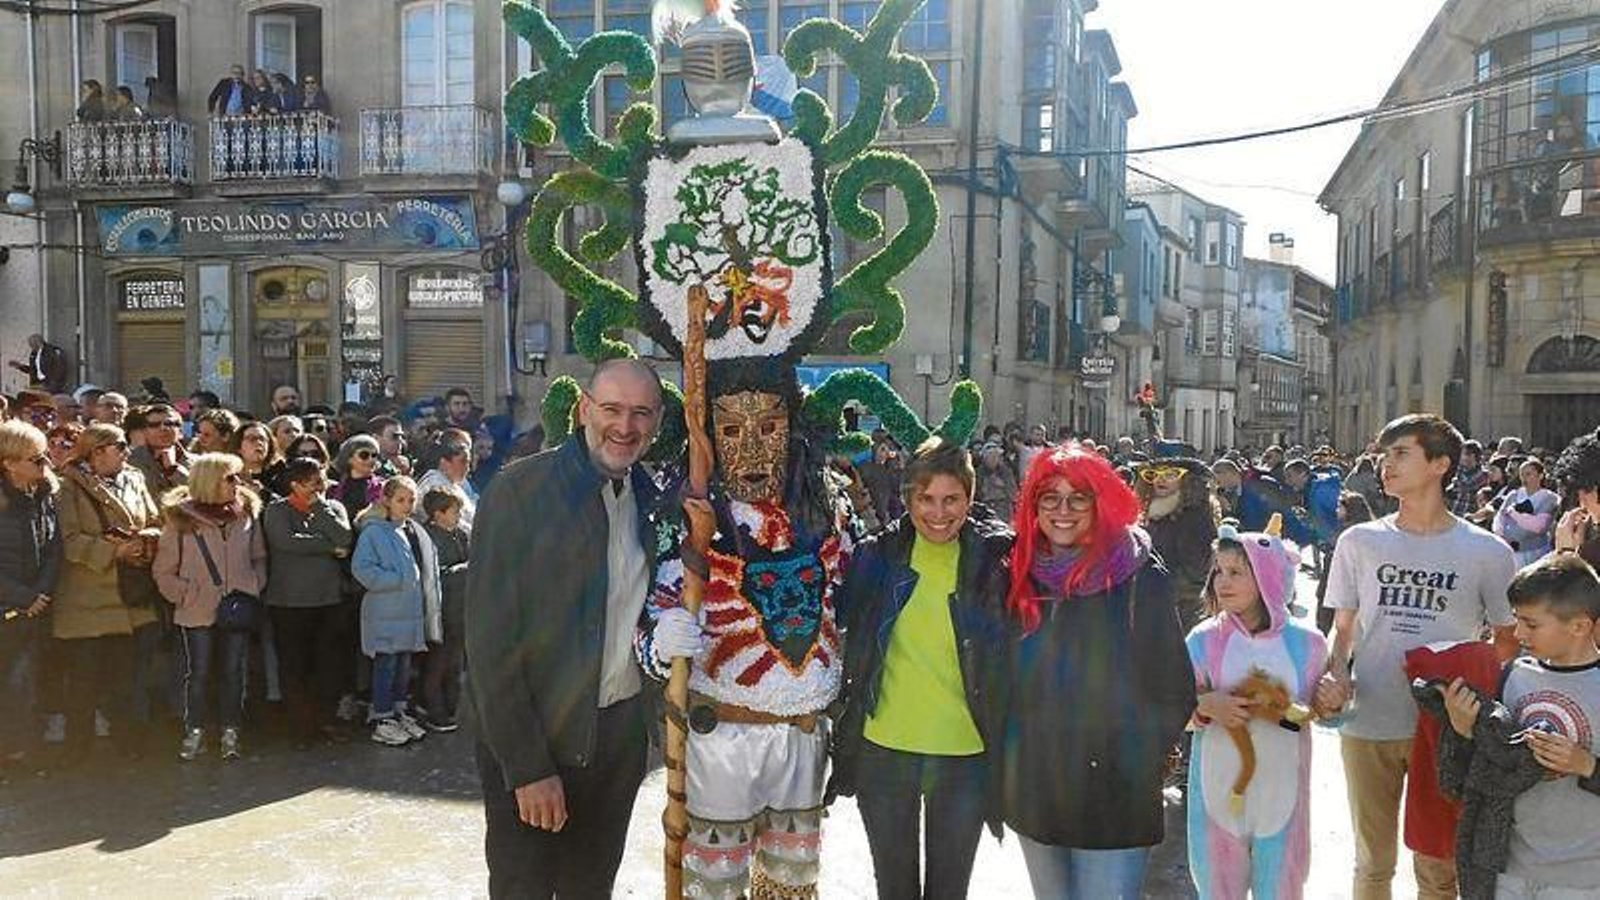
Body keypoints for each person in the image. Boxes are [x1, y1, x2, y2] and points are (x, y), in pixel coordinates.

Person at [465, 358, 663, 899]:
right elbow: (488, 644)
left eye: (641, 413)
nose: (625, 426)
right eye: (613, 409)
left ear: (657, 423)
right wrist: (527, 768)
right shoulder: (520, 491)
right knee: (524, 889)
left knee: (590, 890)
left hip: (616, 744)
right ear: (584, 410)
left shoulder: (650, 498)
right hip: (538, 741)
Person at [1321, 414, 1520, 900]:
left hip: (1447, 730)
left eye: (1400, 454)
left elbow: (1508, 641)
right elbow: (1342, 629)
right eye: (1384, 454)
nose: (1385, 465)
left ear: (1440, 465)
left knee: (1438, 868)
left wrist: (1467, 691)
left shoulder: (1487, 551)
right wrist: (1334, 677)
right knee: (1372, 864)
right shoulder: (1359, 541)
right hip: (1369, 719)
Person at [1002, 444, 1196, 898]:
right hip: (1039, 792)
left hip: (1115, 799)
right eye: (1049, 497)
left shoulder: (1139, 578)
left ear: (1101, 502)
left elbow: (1175, 689)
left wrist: (1133, 759)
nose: (1063, 511)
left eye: (1078, 498)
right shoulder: (1018, 576)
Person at [830, 437, 1013, 899]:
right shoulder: (877, 556)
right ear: (908, 497)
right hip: (884, 754)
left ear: (970, 499)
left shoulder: (995, 562)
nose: (938, 512)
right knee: (895, 890)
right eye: (925, 499)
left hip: (964, 758)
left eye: (951, 499)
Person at [1186, 522, 1335, 900]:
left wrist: (1332, 701)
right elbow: (1173, 709)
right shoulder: (1203, 641)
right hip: (1216, 801)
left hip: (1282, 803)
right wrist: (1204, 705)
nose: (1223, 580)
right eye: (1218, 570)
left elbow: (1319, 713)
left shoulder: (1308, 645)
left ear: (1267, 575)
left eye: (1236, 571)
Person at [1437, 553, 1600, 899]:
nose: (1517, 632)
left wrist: (1586, 765)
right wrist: (1464, 729)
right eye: (1516, 619)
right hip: (1506, 869)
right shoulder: (1514, 676)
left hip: (1584, 880)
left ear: (1580, 626)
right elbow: (1476, 773)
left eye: (1531, 623)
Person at [52, 424, 163, 763]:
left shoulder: (135, 478)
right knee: (84, 681)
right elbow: (68, 541)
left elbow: (155, 517)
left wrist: (145, 537)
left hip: (130, 596)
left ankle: (128, 744)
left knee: (126, 679)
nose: (127, 451)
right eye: (119, 446)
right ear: (96, 450)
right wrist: (114, 551)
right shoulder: (67, 486)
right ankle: (77, 749)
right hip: (87, 600)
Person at [152, 453, 267, 762]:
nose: (237, 483)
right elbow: (163, 570)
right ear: (210, 480)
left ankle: (231, 730)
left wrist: (253, 584)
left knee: (233, 671)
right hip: (196, 607)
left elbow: (258, 556)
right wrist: (186, 594)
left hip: (237, 605)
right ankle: (196, 730)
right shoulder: (181, 519)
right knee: (199, 672)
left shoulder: (247, 514)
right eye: (230, 477)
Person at [262, 457, 353, 750]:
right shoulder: (277, 510)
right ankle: (300, 727)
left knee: (327, 664)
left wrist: (320, 509)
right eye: (312, 482)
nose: (319, 486)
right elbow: (287, 542)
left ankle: (325, 720)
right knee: (294, 665)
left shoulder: (332, 508)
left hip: (328, 599)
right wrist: (328, 547)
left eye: (321, 480)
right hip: (289, 602)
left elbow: (344, 537)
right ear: (295, 485)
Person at [352, 476, 439, 747]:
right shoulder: (374, 532)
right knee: (386, 665)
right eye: (401, 500)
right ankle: (382, 716)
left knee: (403, 664)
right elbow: (362, 569)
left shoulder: (408, 530)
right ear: (386, 500)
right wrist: (396, 580)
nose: (408, 505)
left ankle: (398, 710)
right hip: (385, 612)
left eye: (411, 500)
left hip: (406, 612)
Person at [0, 421, 61, 778]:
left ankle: (26, 751)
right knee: (11, 685)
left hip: (37, 604)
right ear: (9, 462)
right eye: (36, 459)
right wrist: (24, 596)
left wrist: (43, 591)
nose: (45, 465)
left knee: (32, 683)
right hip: (9, 606)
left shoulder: (42, 497)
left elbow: (54, 549)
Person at [417, 486, 469, 732]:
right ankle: (433, 709)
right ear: (438, 513)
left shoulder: (460, 534)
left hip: (462, 611)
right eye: (454, 511)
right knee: (438, 662)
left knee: (455, 663)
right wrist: (467, 568)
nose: (458, 515)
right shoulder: (427, 538)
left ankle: (451, 707)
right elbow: (435, 575)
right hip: (440, 611)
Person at [1495, 457, 1561, 567]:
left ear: (1541, 475)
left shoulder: (1550, 498)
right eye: (1522, 475)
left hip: (1536, 552)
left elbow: (1538, 526)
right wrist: (1502, 537)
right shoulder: (1513, 495)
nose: (1524, 478)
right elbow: (1499, 518)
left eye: (1528, 474)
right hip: (1510, 550)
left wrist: (1513, 513)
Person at [1551, 429, 1600, 567]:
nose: (1581, 503)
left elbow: (1568, 588)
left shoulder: (1591, 553)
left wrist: (1567, 554)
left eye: (1580, 490)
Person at [128, 403, 191, 498]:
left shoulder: (199, 462)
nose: (163, 428)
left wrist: (173, 469)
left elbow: (200, 493)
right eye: (154, 425)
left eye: (169, 424)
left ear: (180, 431)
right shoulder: (129, 460)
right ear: (145, 431)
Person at [414, 439, 477, 532]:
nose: (467, 468)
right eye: (462, 462)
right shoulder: (433, 484)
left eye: (468, 462)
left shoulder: (455, 484)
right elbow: (449, 521)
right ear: (444, 462)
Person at [974, 439, 1020, 521]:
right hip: (986, 510)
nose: (993, 459)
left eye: (996, 456)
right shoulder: (978, 473)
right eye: (990, 456)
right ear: (984, 458)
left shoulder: (1006, 472)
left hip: (1005, 510)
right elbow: (977, 495)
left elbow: (1013, 493)